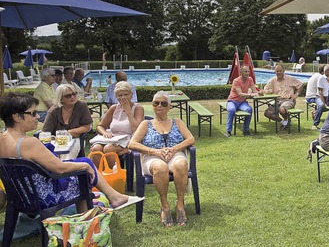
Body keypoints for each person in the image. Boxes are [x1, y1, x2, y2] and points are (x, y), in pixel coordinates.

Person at [0, 93, 143, 213]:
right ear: (17, 117)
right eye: (33, 113)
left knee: (83, 164)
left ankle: (113, 197)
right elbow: (59, 168)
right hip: (41, 197)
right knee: (84, 171)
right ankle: (88, 220)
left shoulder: (2, 138)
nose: (38, 117)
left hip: (18, 195)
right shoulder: (28, 143)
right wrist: (85, 167)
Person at [128, 91, 195, 227]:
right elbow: (132, 143)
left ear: (169, 107)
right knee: (160, 167)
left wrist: (174, 149)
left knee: (181, 164)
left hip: (174, 155)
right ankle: (165, 206)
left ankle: (180, 205)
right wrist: (154, 151)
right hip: (152, 157)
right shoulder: (146, 124)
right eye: (156, 103)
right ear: (152, 105)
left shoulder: (177, 122)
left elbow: (191, 139)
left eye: (163, 103)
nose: (159, 106)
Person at [90, 81, 144, 164]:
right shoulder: (114, 108)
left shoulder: (138, 108)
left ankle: (114, 175)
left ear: (131, 95)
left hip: (129, 139)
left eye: (126, 95)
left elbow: (137, 130)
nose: (123, 98)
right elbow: (100, 126)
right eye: (120, 95)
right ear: (116, 97)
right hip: (113, 138)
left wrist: (129, 112)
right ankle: (100, 175)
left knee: (108, 149)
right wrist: (104, 132)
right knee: (96, 149)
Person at [42, 84, 93, 160]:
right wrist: (55, 138)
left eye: (74, 94)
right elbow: (45, 132)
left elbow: (87, 126)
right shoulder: (53, 111)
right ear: (61, 98)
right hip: (56, 141)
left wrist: (69, 133)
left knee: (67, 154)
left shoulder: (81, 106)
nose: (72, 97)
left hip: (74, 139)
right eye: (68, 96)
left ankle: (65, 169)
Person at [262, 64, 304, 129]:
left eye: (280, 71)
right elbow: (265, 89)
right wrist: (269, 91)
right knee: (267, 113)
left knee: (282, 109)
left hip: (288, 100)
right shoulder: (272, 80)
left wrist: (296, 94)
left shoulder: (290, 78)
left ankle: (286, 120)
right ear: (274, 72)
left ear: (284, 70)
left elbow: (301, 85)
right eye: (277, 71)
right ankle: (284, 122)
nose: (278, 72)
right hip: (277, 101)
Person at [225, 66, 260, 137]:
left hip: (242, 103)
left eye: (248, 71)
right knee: (231, 110)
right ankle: (228, 131)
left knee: (249, 109)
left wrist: (258, 93)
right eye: (245, 71)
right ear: (241, 72)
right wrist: (251, 94)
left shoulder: (250, 79)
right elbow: (240, 94)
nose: (247, 73)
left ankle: (246, 130)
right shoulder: (236, 81)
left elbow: (254, 90)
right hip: (232, 101)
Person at [312, 65, 329, 130]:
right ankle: (315, 124)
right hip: (320, 97)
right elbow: (320, 92)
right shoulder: (321, 78)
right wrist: (324, 102)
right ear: (326, 71)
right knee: (321, 105)